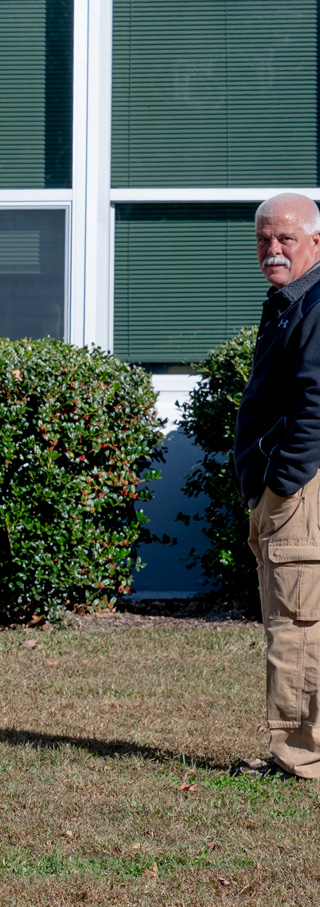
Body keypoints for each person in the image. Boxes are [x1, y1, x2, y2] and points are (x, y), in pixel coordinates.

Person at [231, 193, 320, 779]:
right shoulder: (292, 302)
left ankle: (299, 759)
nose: (273, 250)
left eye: (286, 238)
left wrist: (282, 485)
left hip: (299, 493)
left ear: (316, 242)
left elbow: (316, 404)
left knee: (294, 623)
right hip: (292, 490)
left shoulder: (314, 306)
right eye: (265, 238)